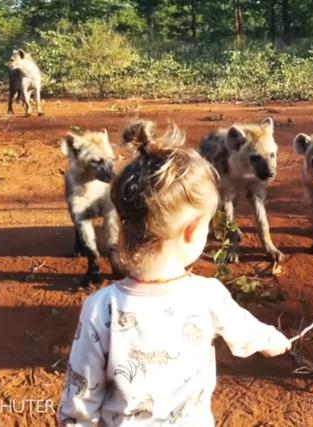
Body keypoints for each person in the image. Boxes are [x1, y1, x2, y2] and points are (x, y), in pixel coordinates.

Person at [57, 123, 291, 426]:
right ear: (192, 232)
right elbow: (249, 334)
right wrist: (274, 340)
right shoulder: (209, 295)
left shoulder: (100, 307)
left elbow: (78, 407)